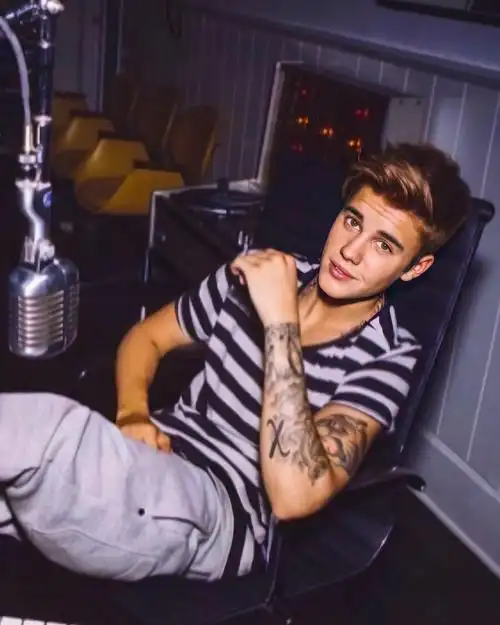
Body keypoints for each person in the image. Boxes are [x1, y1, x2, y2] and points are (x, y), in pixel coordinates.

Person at [0, 142, 471, 582]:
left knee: (48, 433)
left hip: (217, 510)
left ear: (415, 267)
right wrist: (133, 414)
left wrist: (280, 323)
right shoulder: (265, 270)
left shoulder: (389, 356)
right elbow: (147, 337)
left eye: (384, 245)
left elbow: (292, 497)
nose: (351, 251)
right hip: (145, 456)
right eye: (352, 221)